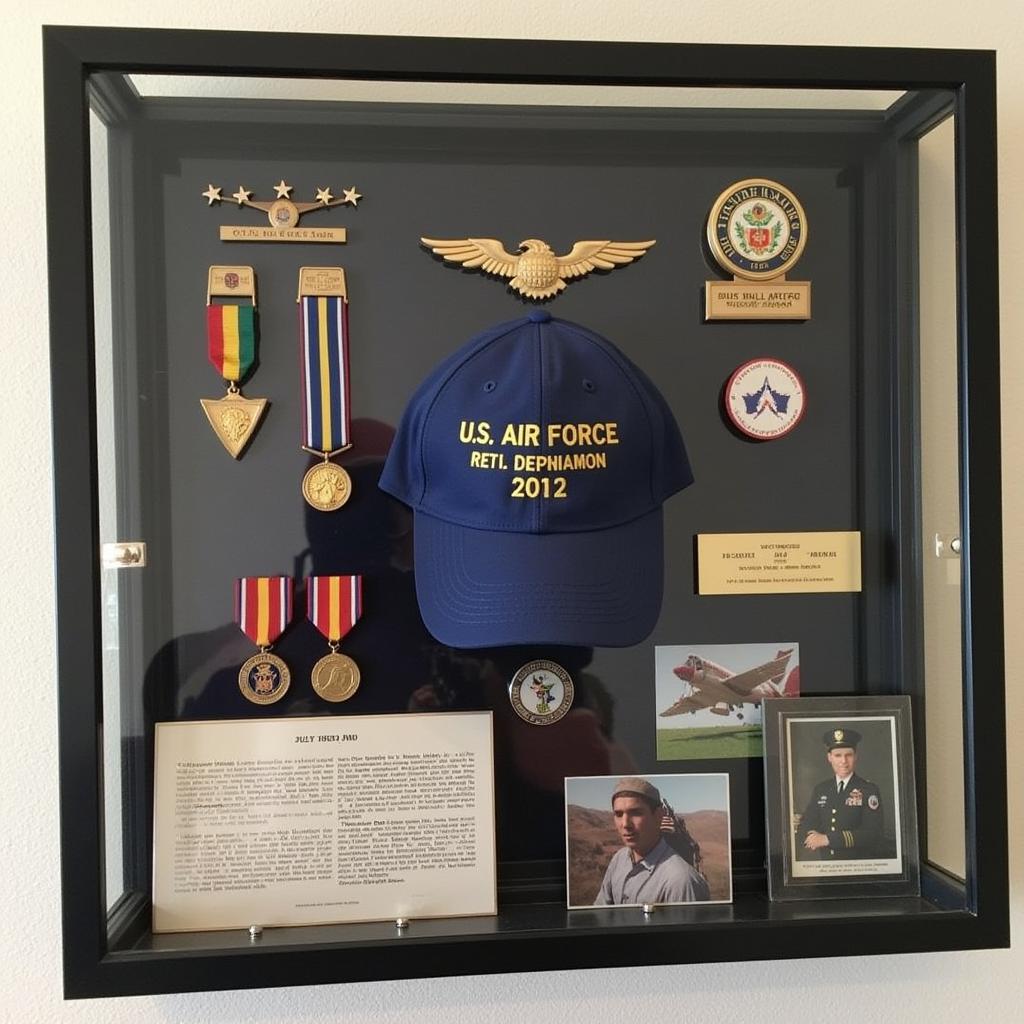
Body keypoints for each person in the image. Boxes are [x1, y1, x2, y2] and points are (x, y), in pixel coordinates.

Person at [593, 778, 710, 905]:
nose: (625, 824)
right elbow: (600, 911)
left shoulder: (680, 882)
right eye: (619, 814)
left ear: (659, 815)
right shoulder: (618, 859)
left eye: (636, 813)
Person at [797, 727, 883, 859]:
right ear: (829, 758)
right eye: (838, 755)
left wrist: (828, 839)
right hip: (826, 866)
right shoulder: (821, 789)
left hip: (857, 866)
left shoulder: (868, 790)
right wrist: (811, 837)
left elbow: (872, 834)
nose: (843, 761)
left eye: (848, 755)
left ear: (855, 757)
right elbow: (806, 823)